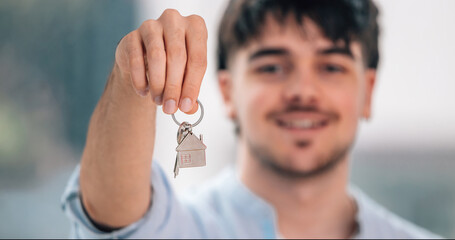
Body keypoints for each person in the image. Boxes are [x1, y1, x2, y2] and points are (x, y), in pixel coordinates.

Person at [61, 0, 441, 238]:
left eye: (331, 67)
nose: (302, 91)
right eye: (273, 66)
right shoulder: (177, 228)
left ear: (367, 91)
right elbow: (111, 214)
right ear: (227, 92)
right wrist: (134, 77)